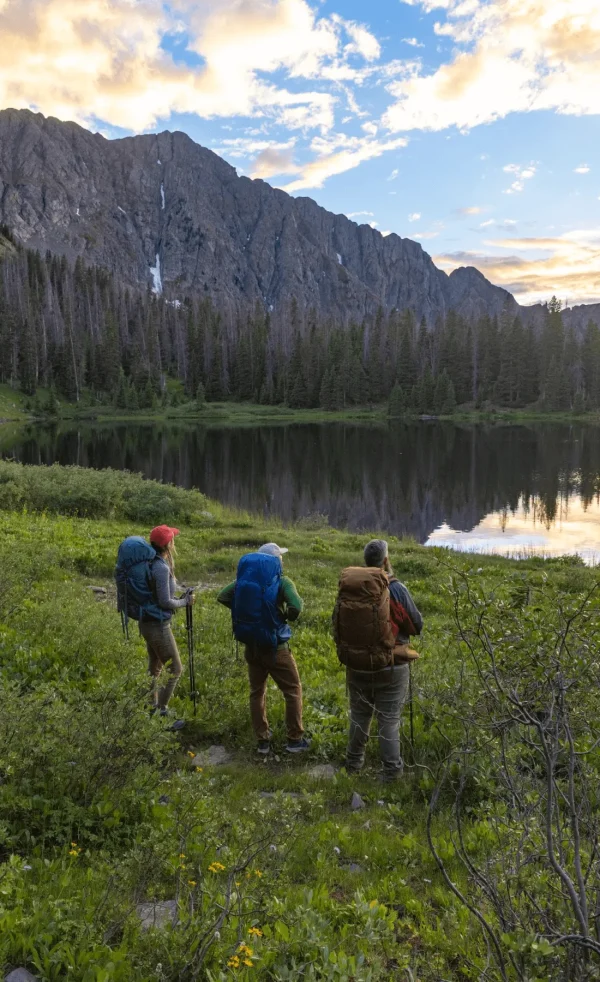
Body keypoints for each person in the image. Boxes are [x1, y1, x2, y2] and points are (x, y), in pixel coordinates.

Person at [338, 539, 423, 781]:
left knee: (359, 715)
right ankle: (392, 773)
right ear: (386, 561)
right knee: (388, 719)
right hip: (391, 665)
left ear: (366, 561)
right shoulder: (396, 588)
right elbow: (417, 625)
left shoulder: (352, 587)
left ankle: (353, 766)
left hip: (357, 663)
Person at [217, 542, 309, 754]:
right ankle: (294, 740)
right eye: (280, 557)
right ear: (276, 561)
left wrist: (247, 613)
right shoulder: (283, 581)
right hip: (277, 648)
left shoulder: (244, 582)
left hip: (252, 647)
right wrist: (284, 616)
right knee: (292, 691)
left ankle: (263, 741)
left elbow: (223, 596)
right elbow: (296, 607)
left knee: (257, 691)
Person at [140, 524, 195, 717]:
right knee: (175, 668)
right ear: (167, 544)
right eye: (172, 539)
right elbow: (164, 602)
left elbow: (160, 597)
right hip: (157, 625)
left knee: (155, 666)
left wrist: (178, 598)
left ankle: (149, 708)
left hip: (147, 622)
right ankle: (161, 712)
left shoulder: (151, 562)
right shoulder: (161, 568)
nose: (174, 542)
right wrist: (185, 602)